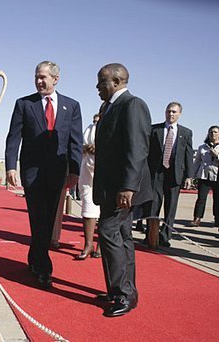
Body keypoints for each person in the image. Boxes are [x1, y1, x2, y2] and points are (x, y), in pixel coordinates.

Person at [4, 60, 83, 288]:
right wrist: (11, 166)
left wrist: (75, 171)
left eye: (43, 77)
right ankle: (43, 268)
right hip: (32, 171)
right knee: (38, 218)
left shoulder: (72, 106)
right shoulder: (24, 104)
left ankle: (34, 259)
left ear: (55, 79)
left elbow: (75, 141)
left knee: (48, 221)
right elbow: (14, 137)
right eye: (37, 77)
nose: (39, 81)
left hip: (58, 171)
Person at [93, 63, 152, 317]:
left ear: (116, 82)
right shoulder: (108, 107)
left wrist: (128, 186)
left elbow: (137, 148)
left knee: (108, 232)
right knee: (122, 237)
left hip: (122, 188)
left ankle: (122, 294)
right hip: (110, 188)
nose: (97, 87)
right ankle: (123, 291)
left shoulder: (132, 105)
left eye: (101, 82)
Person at [142, 102, 193, 247]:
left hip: (174, 174)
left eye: (174, 112)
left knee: (171, 207)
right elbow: (147, 151)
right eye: (168, 111)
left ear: (179, 114)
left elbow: (188, 156)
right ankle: (150, 235)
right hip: (156, 173)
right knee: (153, 205)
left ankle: (165, 236)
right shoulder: (154, 130)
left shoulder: (186, 133)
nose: (171, 114)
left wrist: (189, 176)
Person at [77, 113, 102, 259]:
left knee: (105, 212)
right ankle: (88, 244)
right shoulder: (88, 129)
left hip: (106, 172)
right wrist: (87, 148)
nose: (96, 123)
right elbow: (79, 146)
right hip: (87, 171)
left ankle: (101, 245)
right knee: (88, 207)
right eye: (94, 121)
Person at [190, 125, 219, 228]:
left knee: (217, 199)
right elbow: (197, 162)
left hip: (216, 175)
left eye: (215, 132)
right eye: (211, 132)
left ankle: (217, 219)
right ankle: (197, 218)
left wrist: (217, 156)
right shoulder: (202, 147)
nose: (213, 134)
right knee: (201, 198)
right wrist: (191, 176)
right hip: (204, 175)